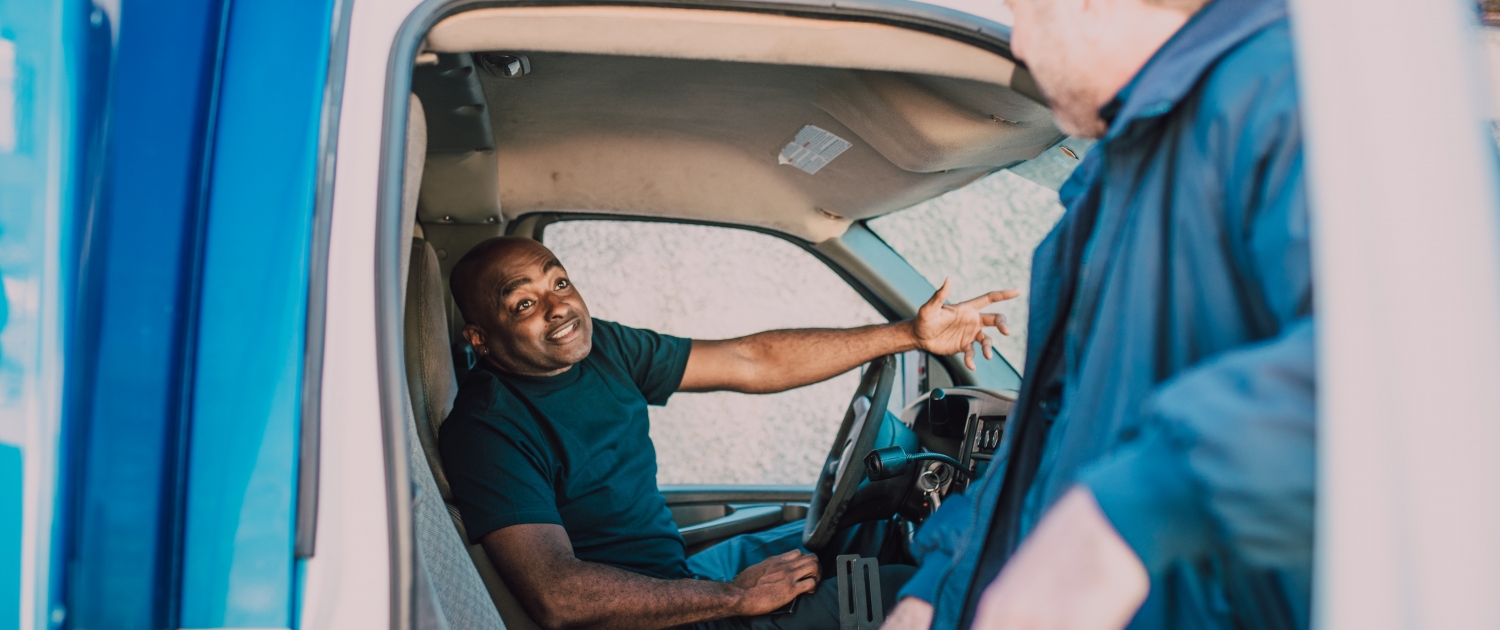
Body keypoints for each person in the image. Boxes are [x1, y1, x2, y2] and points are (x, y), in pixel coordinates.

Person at [881, 0, 1316, 628]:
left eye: (1024, 11)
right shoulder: (1120, 178)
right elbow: (1054, 437)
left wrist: (1124, 514)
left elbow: (1429, 370)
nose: (1021, 45)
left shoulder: (1296, 95)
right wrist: (938, 588)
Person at [439, 235, 1018, 630]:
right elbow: (558, 595)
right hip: (654, 618)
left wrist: (909, 335)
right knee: (918, 592)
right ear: (480, 338)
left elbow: (751, 361)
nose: (558, 307)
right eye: (523, 303)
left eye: (559, 282)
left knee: (857, 546)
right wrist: (735, 597)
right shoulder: (487, 431)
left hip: (676, 579)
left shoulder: (601, 350)